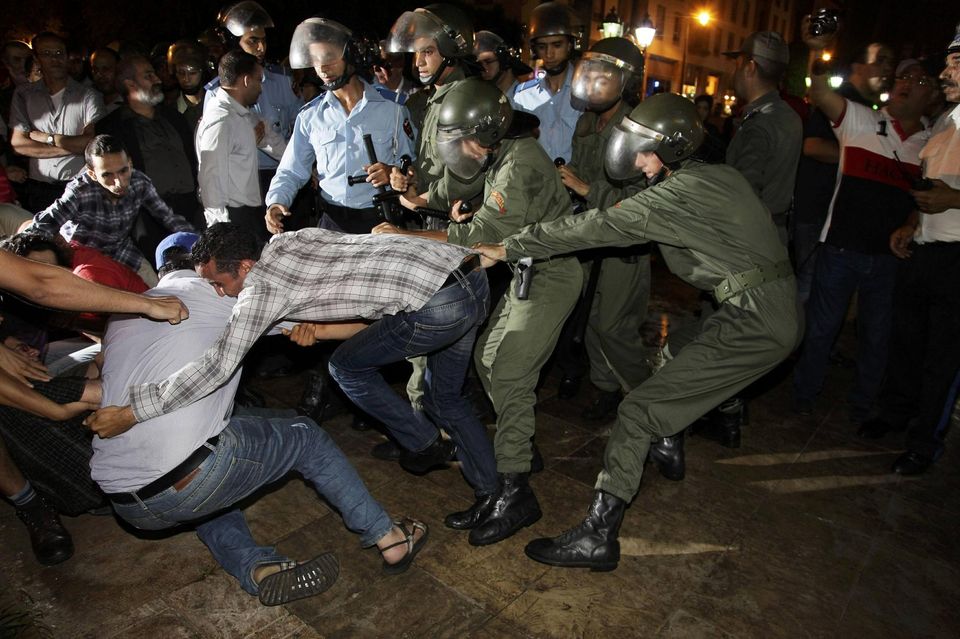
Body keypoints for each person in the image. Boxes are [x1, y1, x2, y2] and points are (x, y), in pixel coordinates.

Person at [474, 93, 801, 570]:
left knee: (639, 411)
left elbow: (599, 226)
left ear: (674, 147)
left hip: (753, 318)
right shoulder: (718, 176)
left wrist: (511, 245)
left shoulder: (679, 193)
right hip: (768, 305)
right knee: (678, 348)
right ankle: (684, 429)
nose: (640, 162)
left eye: (646, 152)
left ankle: (598, 535)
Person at [87, 242, 427, 605]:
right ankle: (390, 538)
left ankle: (258, 569)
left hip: (126, 502)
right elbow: (342, 325)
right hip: (191, 474)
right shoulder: (220, 293)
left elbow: (96, 379)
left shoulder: (121, 317)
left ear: (160, 274)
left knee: (210, 479)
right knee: (305, 437)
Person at [376, 78, 582, 546]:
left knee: (508, 371)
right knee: (489, 362)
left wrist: (401, 237)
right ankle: (516, 456)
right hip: (524, 270)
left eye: (464, 139)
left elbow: (480, 237)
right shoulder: (500, 155)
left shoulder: (520, 162)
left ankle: (516, 493)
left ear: (486, 132)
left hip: (552, 273)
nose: (462, 149)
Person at [793, 24, 941, 424]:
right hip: (841, 246)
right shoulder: (860, 119)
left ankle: (862, 403)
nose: (906, 82)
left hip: (890, 259)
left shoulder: (932, 144)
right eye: (902, 76)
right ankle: (804, 394)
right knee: (822, 329)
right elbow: (821, 92)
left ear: (932, 95)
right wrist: (818, 51)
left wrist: (911, 222)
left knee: (877, 337)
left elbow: (931, 199)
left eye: (919, 79)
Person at [859, 31, 960, 475]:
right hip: (925, 251)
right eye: (949, 63)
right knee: (907, 341)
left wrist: (955, 201)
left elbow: (947, 194)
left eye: (957, 65)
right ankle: (895, 413)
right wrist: (911, 224)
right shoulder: (946, 121)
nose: (944, 73)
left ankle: (925, 442)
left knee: (944, 357)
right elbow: (930, 186)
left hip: (958, 257)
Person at [551, 37, 650, 423]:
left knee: (615, 326)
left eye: (601, 75)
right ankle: (608, 391)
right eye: (587, 72)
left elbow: (641, 200)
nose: (590, 81)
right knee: (592, 320)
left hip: (625, 241)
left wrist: (585, 188)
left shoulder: (637, 127)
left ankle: (649, 398)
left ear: (624, 81)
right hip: (590, 231)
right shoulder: (588, 121)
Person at [264, 17, 415, 235]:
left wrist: (393, 173)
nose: (323, 68)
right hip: (332, 223)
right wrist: (277, 201)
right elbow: (291, 170)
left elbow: (412, 165)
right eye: (315, 60)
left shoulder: (393, 109)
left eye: (329, 58)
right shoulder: (310, 116)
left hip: (381, 222)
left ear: (350, 56)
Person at [791, 42, 895, 302]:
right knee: (808, 284)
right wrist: (864, 156)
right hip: (817, 208)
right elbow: (813, 146)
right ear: (858, 66)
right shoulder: (842, 103)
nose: (887, 69)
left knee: (822, 291)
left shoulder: (872, 108)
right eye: (880, 60)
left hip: (834, 215)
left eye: (890, 63)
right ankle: (790, 340)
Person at [29, 135, 194, 286]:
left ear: (130, 163)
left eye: (123, 171)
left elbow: (168, 217)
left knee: (156, 288)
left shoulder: (140, 183)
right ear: (92, 174)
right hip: (81, 255)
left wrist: (198, 241)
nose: (118, 182)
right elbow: (44, 224)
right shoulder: (80, 191)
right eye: (107, 175)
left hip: (120, 249)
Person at [96, 55, 202, 240]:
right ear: (130, 84)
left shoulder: (174, 117)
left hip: (190, 209)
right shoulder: (112, 127)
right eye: (149, 75)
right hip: (148, 217)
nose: (158, 80)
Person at [206, 1, 302, 195]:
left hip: (283, 173)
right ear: (234, 44)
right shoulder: (217, 92)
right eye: (252, 41)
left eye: (264, 40)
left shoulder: (282, 81)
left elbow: (302, 129)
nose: (261, 47)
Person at [8, 32, 105, 212]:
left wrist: (47, 138)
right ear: (36, 59)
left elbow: (92, 142)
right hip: (39, 189)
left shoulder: (88, 95)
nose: (55, 60)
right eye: (47, 54)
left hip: (80, 187)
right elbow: (18, 144)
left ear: (67, 57)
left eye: (59, 53)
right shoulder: (24, 95)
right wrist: (73, 146)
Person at [723, 31, 802, 245]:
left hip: (749, 241)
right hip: (775, 236)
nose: (734, 72)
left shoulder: (759, 123)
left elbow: (744, 191)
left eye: (737, 64)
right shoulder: (788, 115)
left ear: (749, 67)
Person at [197, 50, 281, 237]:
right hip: (232, 218)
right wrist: (220, 231)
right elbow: (210, 180)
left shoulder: (243, 115)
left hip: (248, 215)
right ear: (245, 80)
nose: (261, 88)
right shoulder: (220, 120)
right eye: (259, 80)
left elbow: (274, 144)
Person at [512, 1, 585, 163]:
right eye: (542, 47)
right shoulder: (522, 95)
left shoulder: (586, 93)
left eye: (557, 45)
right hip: (534, 181)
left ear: (570, 45)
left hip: (573, 182)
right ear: (534, 49)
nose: (549, 54)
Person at [167, 40, 210, 131]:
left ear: (202, 72)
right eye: (181, 73)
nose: (186, 79)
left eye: (192, 73)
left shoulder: (217, 101)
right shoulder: (172, 112)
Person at [474, 30, 532, 97]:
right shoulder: (484, 99)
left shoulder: (526, 100)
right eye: (479, 63)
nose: (482, 68)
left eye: (488, 61)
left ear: (505, 59)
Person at [89, 48, 123, 114]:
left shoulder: (131, 104)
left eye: (105, 69)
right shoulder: (87, 99)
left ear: (119, 69)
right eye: (95, 69)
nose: (99, 75)